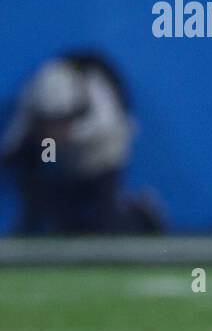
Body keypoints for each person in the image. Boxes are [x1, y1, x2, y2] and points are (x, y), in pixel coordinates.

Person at [2, 53, 162, 234]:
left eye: (62, 119)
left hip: (102, 156)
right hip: (63, 162)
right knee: (64, 222)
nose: (56, 125)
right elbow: (16, 136)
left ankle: (142, 212)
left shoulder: (93, 85)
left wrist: (71, 134)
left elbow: (111, 126)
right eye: (51, 121)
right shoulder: (33, 94)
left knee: (108, 223)